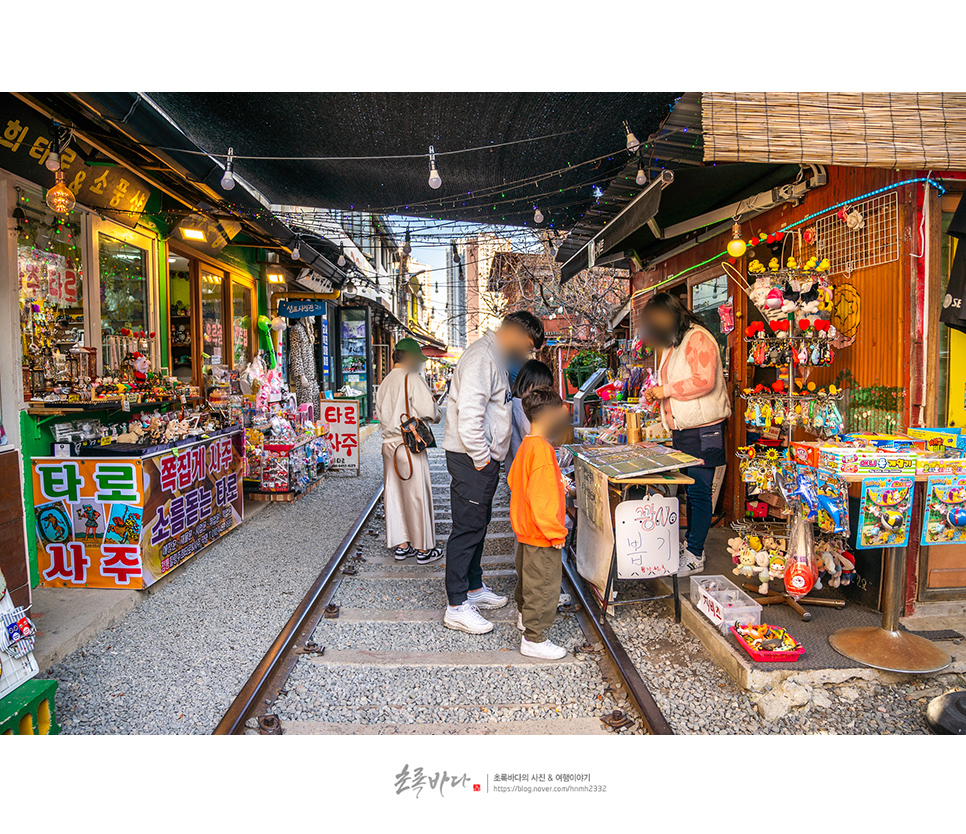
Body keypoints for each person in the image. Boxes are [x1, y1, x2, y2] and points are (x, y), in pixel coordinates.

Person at [441, 310, 545, 634]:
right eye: (526, 346)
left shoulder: (494, 357)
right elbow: (469, 415)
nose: (525, 353)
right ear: (513, 333)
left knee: (479, 525)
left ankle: (473, 588)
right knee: (466, 529)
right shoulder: (482, 358)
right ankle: (456, 605)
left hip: (480, 461)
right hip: (472, 460)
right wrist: (483, 458)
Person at [642, 292, 731, 577]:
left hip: (704, 430)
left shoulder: (697, 337)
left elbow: (703, 381)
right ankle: (692, 547)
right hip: (685, 430)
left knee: (699, 492)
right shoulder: (676, 342)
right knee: (692, 491)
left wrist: (664, 391)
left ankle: (695, 553)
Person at [507, 387, 572, 659]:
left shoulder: (527, 444)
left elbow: (514, 481)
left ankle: (524, 618)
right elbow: (543, 497)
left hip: (526, 529)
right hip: (541, 533)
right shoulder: (543, 450)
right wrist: (556, 532)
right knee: (544, 585)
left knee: (528, 582)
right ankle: (534, 638)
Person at [375, 338, 442, 565]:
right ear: (410, 358)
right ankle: (423, 548)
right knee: (417, 495)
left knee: (394, 495)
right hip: (408, 444)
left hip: (388, 445)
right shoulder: (412, 378)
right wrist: (438, 413)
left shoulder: (384, 382)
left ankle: (402, 545)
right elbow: (429, 411)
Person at [505, 359, 554, 475]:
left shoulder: (516, 401)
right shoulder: (521, 405)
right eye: (544, 388)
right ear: (530, 385)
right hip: (526, 470)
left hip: (518, 467)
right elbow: (533, 435)